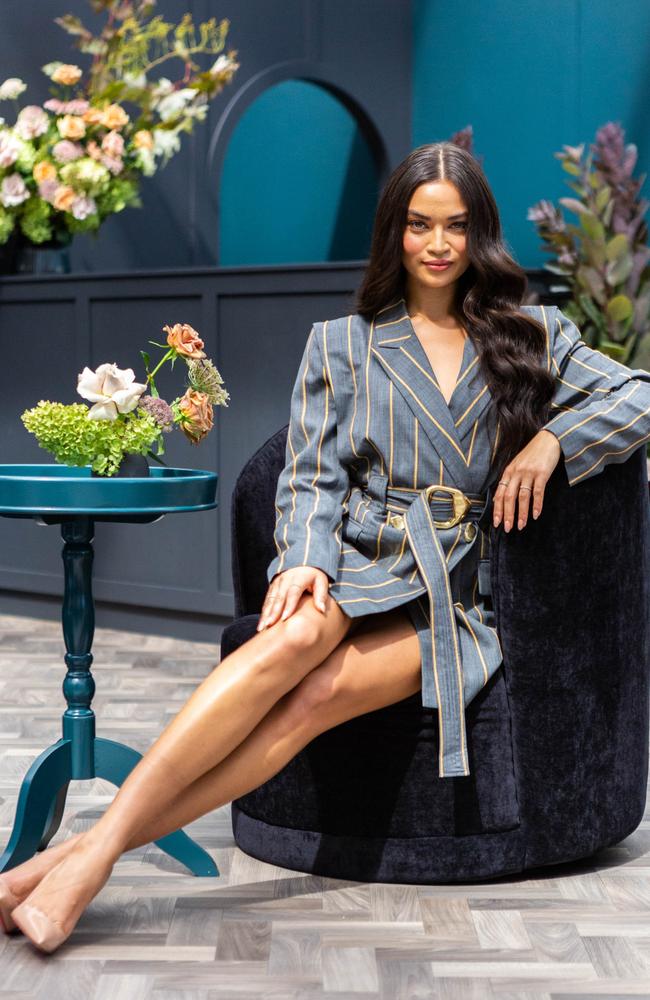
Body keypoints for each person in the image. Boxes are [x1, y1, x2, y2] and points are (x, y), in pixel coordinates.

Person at [2, 141, 649, 953]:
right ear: (396, 232)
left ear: (478, 233)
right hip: (359, 558)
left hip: (459, 597)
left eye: (455, 226)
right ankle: (86, 864)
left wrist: (554, 442)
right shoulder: (342, 344)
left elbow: (638, 396)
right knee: (296, 635)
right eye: (420, 225)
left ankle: (74, 861)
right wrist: (304, 558)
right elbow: (308, 474)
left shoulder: (532, 332)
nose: (438, 245)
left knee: (310, 701)